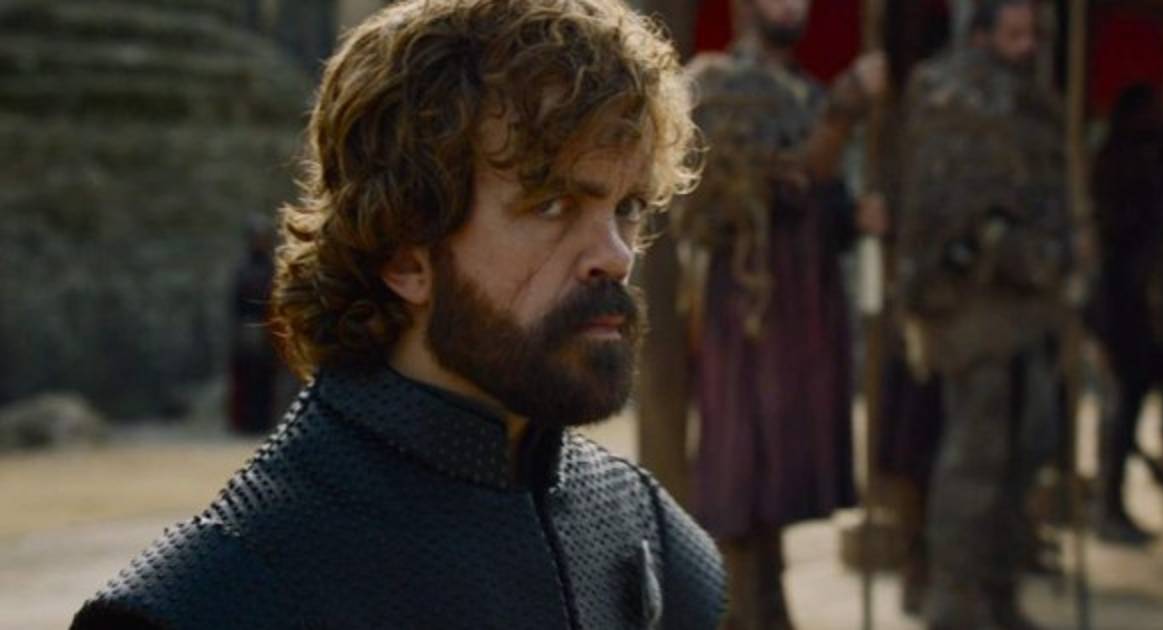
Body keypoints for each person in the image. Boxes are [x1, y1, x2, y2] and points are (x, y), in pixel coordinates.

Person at [70, 1, 725, 628]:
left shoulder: (656, 542)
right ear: (405, 255)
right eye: (551, 205)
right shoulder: (220, 599)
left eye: (627, 208)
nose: (615, 255)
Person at [673, 0, 887, 627]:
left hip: (807, 312)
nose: (790, 5)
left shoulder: (808, 93)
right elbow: (748, 188)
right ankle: (737, 610)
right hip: (747, 305)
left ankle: (768, 604)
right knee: (742, 466)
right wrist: (842, 115)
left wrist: (854, 216)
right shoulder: (714, 83)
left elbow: (822, 201)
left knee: (781, 475)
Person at [896, 1, 1072, 628]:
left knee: (1026, 450)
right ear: (982, 33)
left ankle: (998, 591)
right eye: (1014, 34)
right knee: (977, 457)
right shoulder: (950, 93)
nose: (1026, 46)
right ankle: (956, 602)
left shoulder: (1031, 99)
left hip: (1025, 308)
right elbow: (950, 206)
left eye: (1031, 34)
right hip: (969, 304)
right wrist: (1013, 249)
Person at [1088, 84, 1163, 545]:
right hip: (1123, 305)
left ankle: (1117, 498)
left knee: (1131, 406)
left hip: (1141, 304)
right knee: (1121, 407)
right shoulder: (1126, 164)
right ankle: (1108, 503)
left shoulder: (1146, 160)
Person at [229, 214, 281, 435]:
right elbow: (236, 302)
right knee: (246, 378)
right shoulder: (243, 269)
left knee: (265, 379)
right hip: (247, 329)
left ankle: (262, 421)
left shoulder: (272, 269)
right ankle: (245, 423)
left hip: (268, 329)